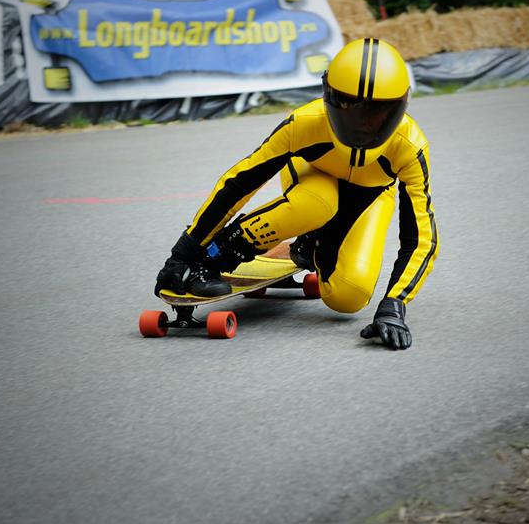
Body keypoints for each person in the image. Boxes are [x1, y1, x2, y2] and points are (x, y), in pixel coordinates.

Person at [154, 38, 439, 351]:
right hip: (311, 184)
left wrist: (394, 304)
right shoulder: (305, 123)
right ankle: (220, 254)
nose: (364, 124)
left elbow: (420, 237)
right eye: (348, 107)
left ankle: (309, 246)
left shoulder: (410, 147)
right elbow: (239, 184)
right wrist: (184, 254)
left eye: (379, 112)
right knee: (318, 203)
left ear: (402, 105)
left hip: (371, 197)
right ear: (327, 96)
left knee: (349, 297)